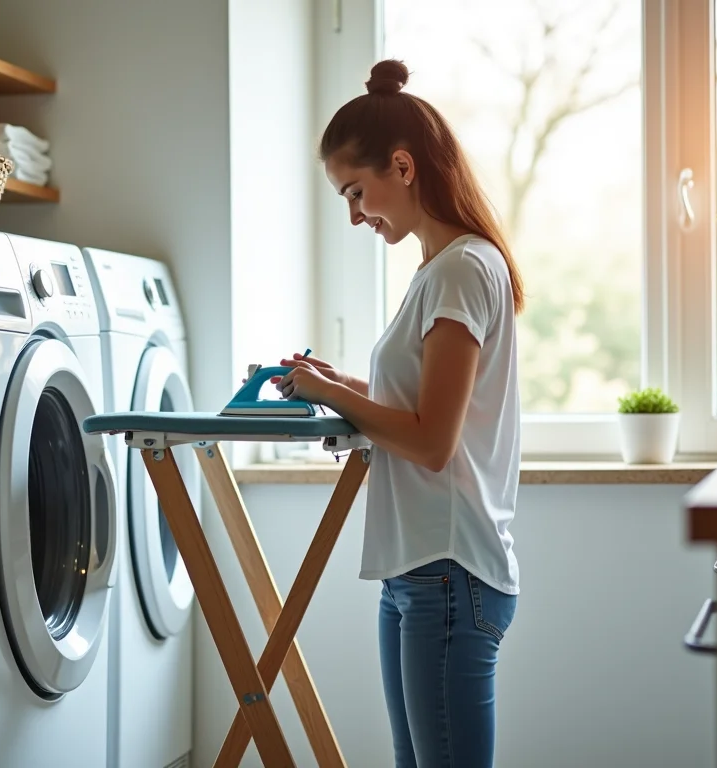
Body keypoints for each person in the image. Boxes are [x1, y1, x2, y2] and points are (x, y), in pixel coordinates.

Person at [276, 58, 524, 768]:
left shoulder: (461, 270)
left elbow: (433, 440)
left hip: (447, 570)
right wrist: (339, 382)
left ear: (404, 166)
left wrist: (334, 396)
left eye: (357, 192)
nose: (355, 215)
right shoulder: (444, 269)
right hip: (423, 571)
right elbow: (422, 404)